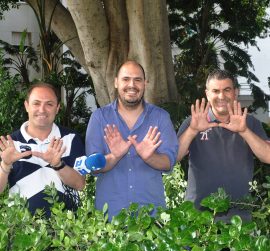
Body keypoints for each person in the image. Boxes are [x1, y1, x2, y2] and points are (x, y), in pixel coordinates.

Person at [85, 60, 178, 220]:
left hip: (150, 213)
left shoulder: (161, 117)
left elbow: (168, 162)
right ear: (116, 82)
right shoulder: (99, 118)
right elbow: (93, 167)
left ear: (145, 83)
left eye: (137, 79)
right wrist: (114, 156)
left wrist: (150, 157)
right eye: (126, 79)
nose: (132, 85)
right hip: (110, 214)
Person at [177, 69, 270, 222]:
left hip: (239, 218)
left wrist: (244, 131)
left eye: (227, 90)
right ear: (207, 94)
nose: (221, 96)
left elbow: (267, 156)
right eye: (215, 91)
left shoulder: (250, 122)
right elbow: (173, 157)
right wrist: (193, 130)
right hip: (198, 217)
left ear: (236, 92)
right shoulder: (193, 122)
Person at [0, 83, 85, 217]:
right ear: (27, 106)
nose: (42, 109)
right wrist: (5, 165)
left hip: (67, 229)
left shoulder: (71, 139)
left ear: (57, 108)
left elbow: (80, 184)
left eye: (49, 104)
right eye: (36, 103)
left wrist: (58, 165)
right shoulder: (10, 143)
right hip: (22, 228)